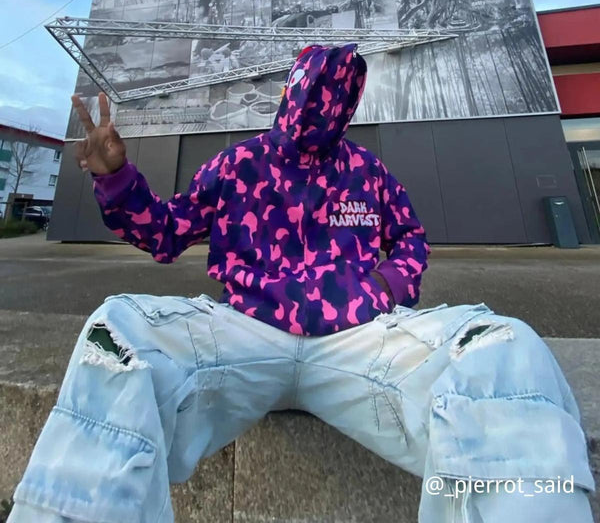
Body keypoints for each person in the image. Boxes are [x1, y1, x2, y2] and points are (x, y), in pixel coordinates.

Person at [8, 43, 595, 523]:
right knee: (118, 333)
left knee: (504, 348)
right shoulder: (240, 164)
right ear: (292, 89)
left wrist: (386, 287)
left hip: (359, 342)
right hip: (243, 334)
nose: (326, 103)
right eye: (314, 89)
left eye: (340, 94)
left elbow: (411, 236)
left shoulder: (368, 172)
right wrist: (116, 179)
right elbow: (166, 232)